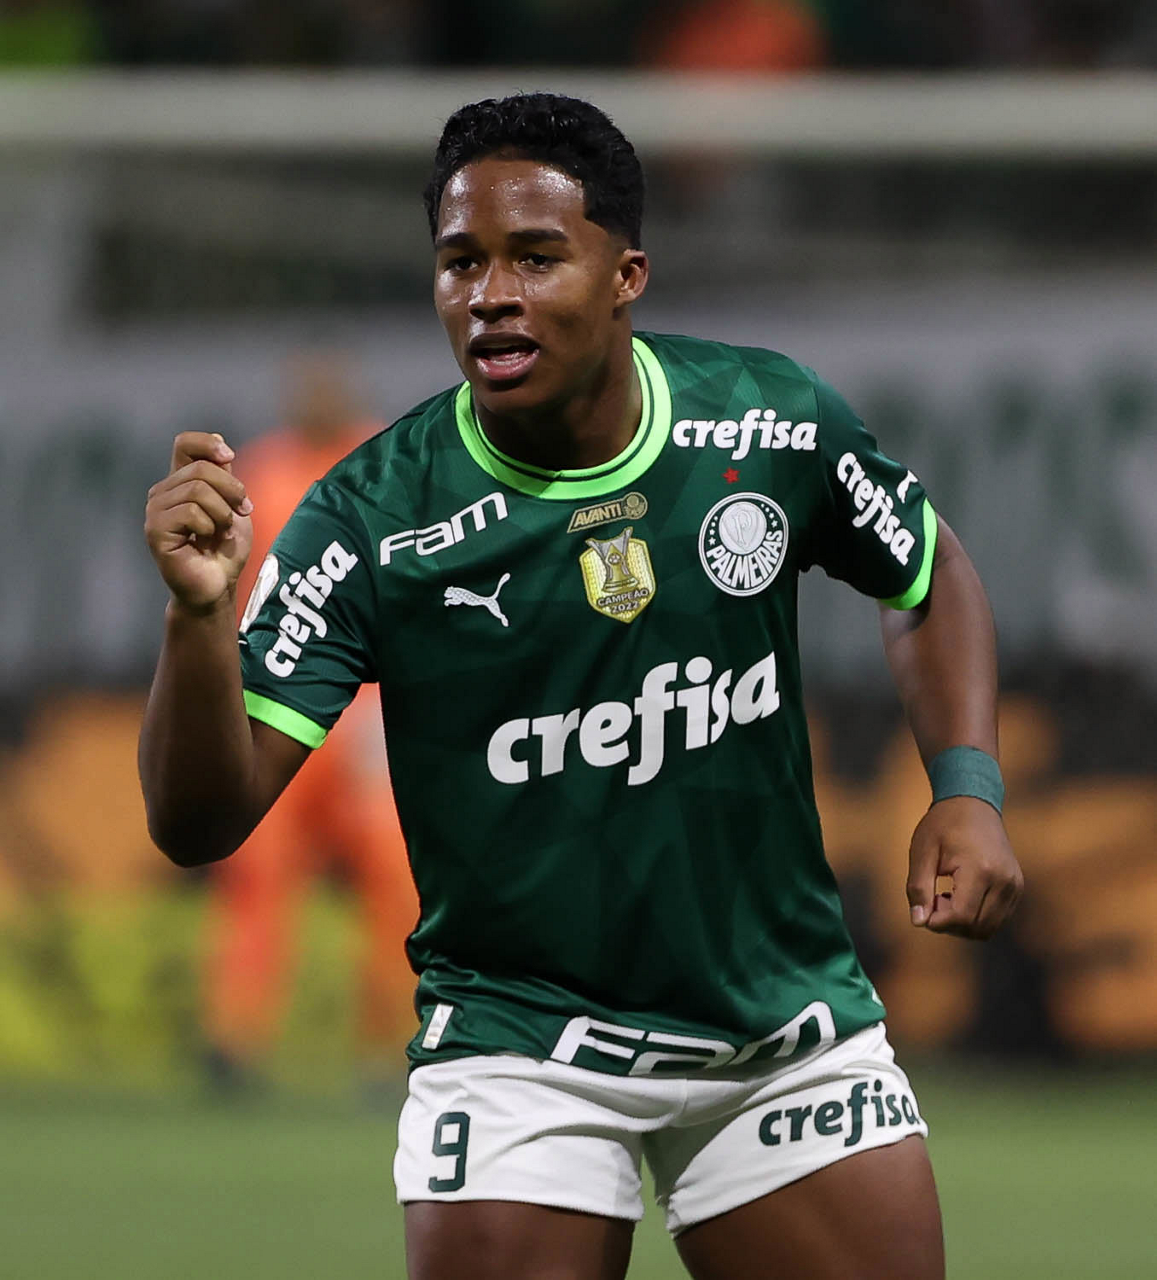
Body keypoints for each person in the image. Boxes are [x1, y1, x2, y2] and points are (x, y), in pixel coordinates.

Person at [140, 93, 1023, 1280]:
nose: (489, 294)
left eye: (534, 256)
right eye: (460, 261)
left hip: (773, 1025)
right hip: (518, 1047)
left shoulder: (764, 422)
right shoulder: (368, 518)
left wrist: (964, 786)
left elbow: (926, 570)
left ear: (625, 276)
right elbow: (198, 821)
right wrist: (198, 619)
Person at [201, 350, 417, 1089]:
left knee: (394, 873)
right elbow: (231, 598)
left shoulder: (387, 464)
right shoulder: (261, 471)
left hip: (364, 711)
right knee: (257, 871)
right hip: (274, 702)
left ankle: (391, 1042)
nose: (315, 397)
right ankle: (234, 1038)